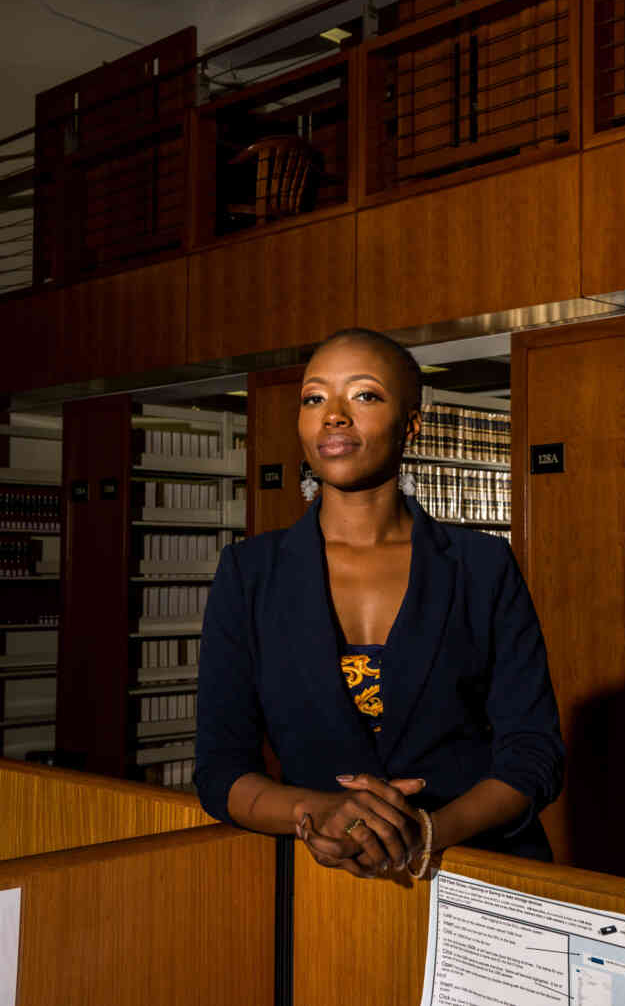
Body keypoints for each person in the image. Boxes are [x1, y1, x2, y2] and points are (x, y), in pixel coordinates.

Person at [195, 327, 564, 878]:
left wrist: (426, 832)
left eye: (364, 395)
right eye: (314, 398)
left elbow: (534, 752)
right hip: (323, 886)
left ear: (411, 423)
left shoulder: (481, 566)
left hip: (476, 870)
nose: (334, 415)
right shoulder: (249, 573)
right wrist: (317, 810)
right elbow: (221, 770)